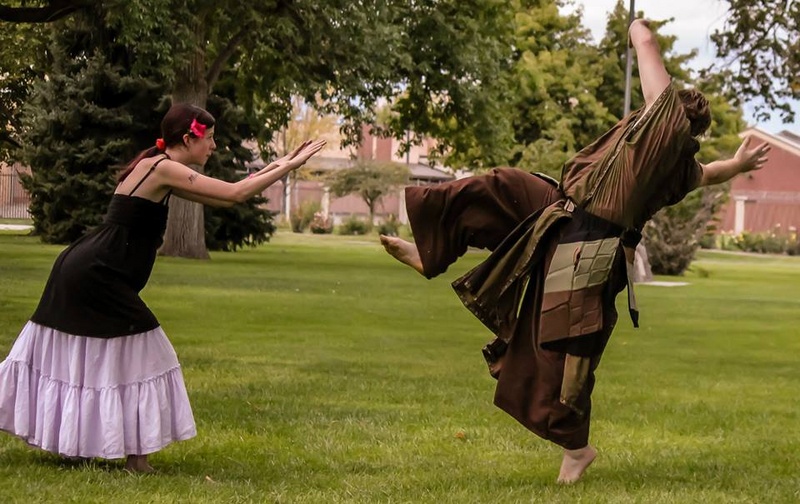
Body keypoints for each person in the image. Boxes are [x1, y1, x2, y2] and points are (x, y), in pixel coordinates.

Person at [380, 19, 770, 484]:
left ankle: (577, 449)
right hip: (560, 206)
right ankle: (433, 253)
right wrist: (741, 163)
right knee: (498, 187)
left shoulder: (663, 130)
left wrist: (636, 24)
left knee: (559, 353)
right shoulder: (679, 165)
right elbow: (711, 172)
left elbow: (644, 39)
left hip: (588, 245)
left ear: (669, 119)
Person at [0, 103, 326, 472]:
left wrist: (282, 162)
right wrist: (289, 167)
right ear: (188, 139)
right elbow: (236, 194)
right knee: (152, 355)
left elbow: (228, 194)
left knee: (101, 356)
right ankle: (137, 461)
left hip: (89, 270)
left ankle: (105, 452)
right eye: (210, 139)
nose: (214, 147)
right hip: (95, 275)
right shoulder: (162, 168)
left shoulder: (159, 167)